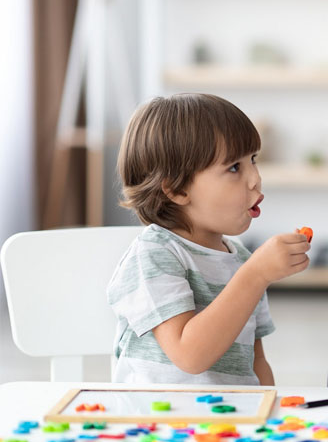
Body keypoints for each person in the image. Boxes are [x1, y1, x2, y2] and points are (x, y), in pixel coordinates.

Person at [107, 93, 310, 384]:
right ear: (176, 190)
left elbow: (257, 362)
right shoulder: (154, 255)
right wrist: (255, 275)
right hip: (158, 424)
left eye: (253, 160)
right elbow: (190, 355)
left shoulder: (241, 259)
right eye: (234, 168)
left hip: (228, 424)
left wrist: (269, 415)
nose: (255, 179)